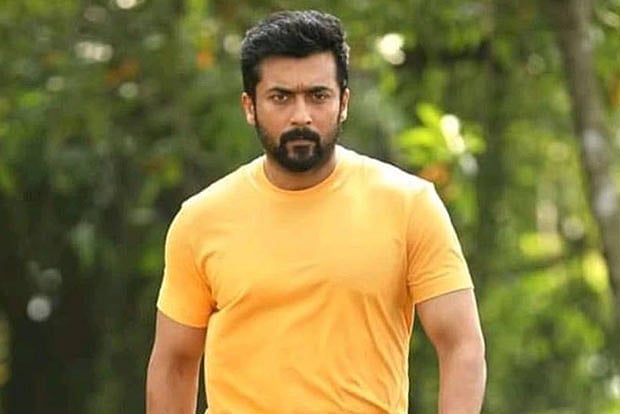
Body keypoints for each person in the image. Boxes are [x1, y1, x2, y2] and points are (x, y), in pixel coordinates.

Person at [146, 9, 486, 414]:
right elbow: (174, 363)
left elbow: (462, 345)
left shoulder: (409, 204)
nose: (301, 116)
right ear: (250, 106)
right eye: (280, 97)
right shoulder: (201, 220)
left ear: (344, 102)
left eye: (318, 95)